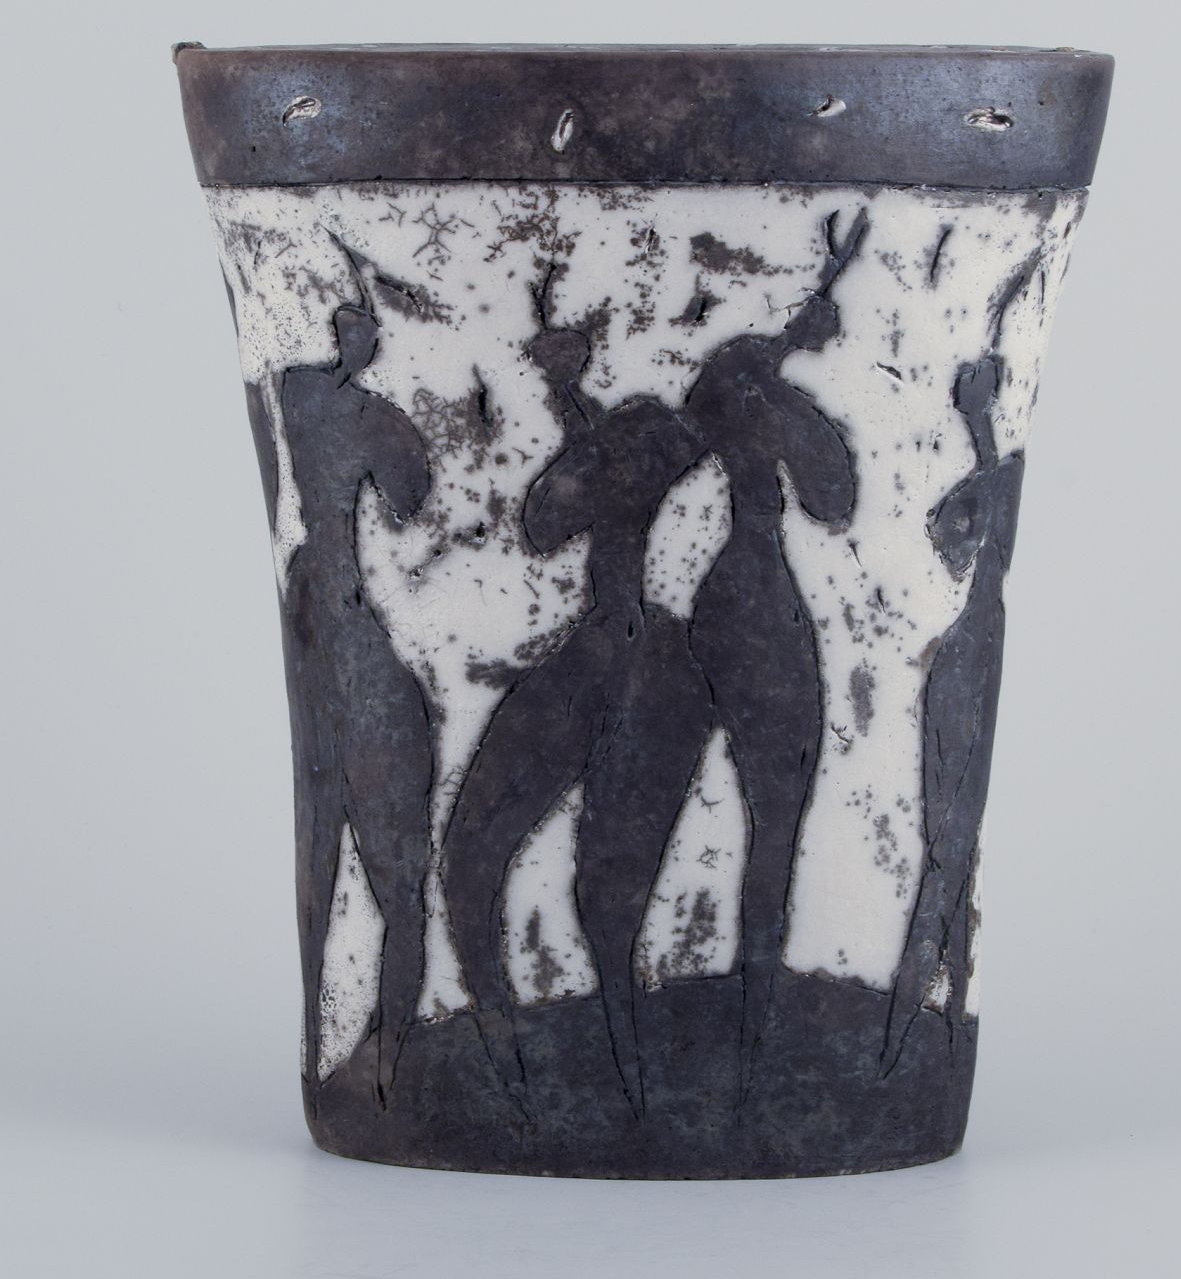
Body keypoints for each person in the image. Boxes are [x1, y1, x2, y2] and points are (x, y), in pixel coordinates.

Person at [440, 304, 712, 1119]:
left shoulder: (640, 446)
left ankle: (554, 1076)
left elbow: (546, 522)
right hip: (629, 651)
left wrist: (570, 403)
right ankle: (579, 1075)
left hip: (615, 653)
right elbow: (577, 499)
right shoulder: (634, 445)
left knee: (498, 866)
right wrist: (568, 398)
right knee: (567, 891)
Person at [684, 264, 860, 1104]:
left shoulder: (740, 390)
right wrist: (790, 353)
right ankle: (754, 1022)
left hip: (715, 593)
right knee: (778, 819)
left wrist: (786, 348)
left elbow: (718, 388)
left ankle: (746, 1018)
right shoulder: (763, 399)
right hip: (754, 597)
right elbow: (833, 497)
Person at [280, 302, 435, 1109]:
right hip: (330, 604)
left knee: (370, 865)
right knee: (363, 862)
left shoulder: (320, 399)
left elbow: (410, 497)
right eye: (352, 330)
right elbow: (411, 499)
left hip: (331, 602)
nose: (359, 343)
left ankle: (375, 1064)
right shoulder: (318, 398)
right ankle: (352, 1062)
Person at [880, 356, 1025, 1075]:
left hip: (968, 653)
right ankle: (926, 1022)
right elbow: (950, 534)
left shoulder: (1001, 474)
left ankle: (922, 1027)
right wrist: (978, 427)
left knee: (950, 849)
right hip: (965, 652)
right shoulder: (1000, 474)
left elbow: (951, 534)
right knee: (949, 849)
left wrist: (977, 426)